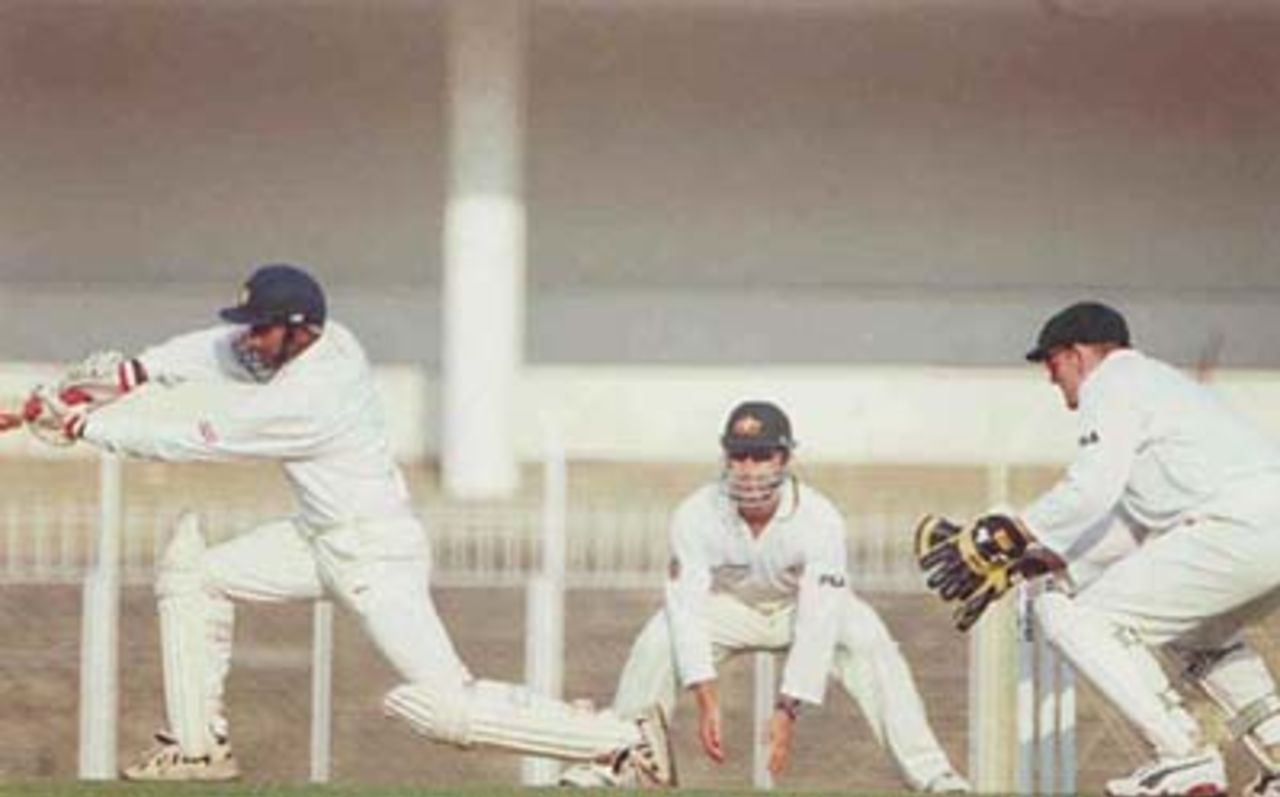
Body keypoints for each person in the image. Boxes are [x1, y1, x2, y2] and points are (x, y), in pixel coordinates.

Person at [22, 263, 674, 786]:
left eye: (261, 329)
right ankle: (196, 747)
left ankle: (620, 738)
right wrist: (137, 370)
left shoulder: (311, 396)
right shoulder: (317, 337)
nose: (249, 339)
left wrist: (87, 424)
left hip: (373, 556)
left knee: (441, 706)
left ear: (298, 330)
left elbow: (195, 438)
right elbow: (216, 351)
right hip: (318, 537)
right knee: (194, 574)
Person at [918, 301, 1280, 797]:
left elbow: (1093, 487)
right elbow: (1134, 519)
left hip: (1240, 525)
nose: (1050, 378)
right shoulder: (1157, 385)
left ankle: (1183, 756)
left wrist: (1012, 530)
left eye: (1051, 361)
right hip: (1259, 526)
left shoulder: (1111, 382)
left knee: (1081, 619)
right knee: (1197, 632)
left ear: (1079, 353)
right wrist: (1047, 554)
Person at [560, 400, 969, 791]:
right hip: (730, 609)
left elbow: (819, 618)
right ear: (726, 458)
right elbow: (686, 608)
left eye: (761, 456)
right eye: (739, 457)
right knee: (660, 637)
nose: (749, 470)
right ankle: (616, 759)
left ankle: (932, 774)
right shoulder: (696, 513)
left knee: (866, 637)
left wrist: (786, 711)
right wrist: (706, 696)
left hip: (799, 609)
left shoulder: (819, 518)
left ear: (784, 459)